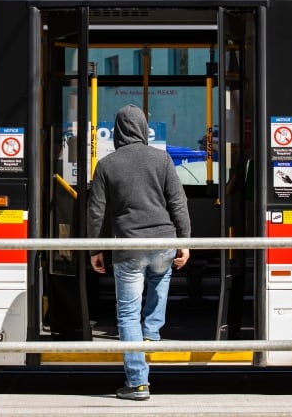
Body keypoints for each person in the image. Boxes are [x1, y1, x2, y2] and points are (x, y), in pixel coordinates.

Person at [87, 104, 191, 401]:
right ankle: (152, 333)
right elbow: (178, 203)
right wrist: (185, 241)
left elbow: (96, 211)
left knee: (127, 313)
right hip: (162, 243)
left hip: (128, 247)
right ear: (144, 129)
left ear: (118, 131)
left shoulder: (107, 164)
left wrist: (95, 249)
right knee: (159, 284)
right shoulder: (162, 159)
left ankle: (138, 383)